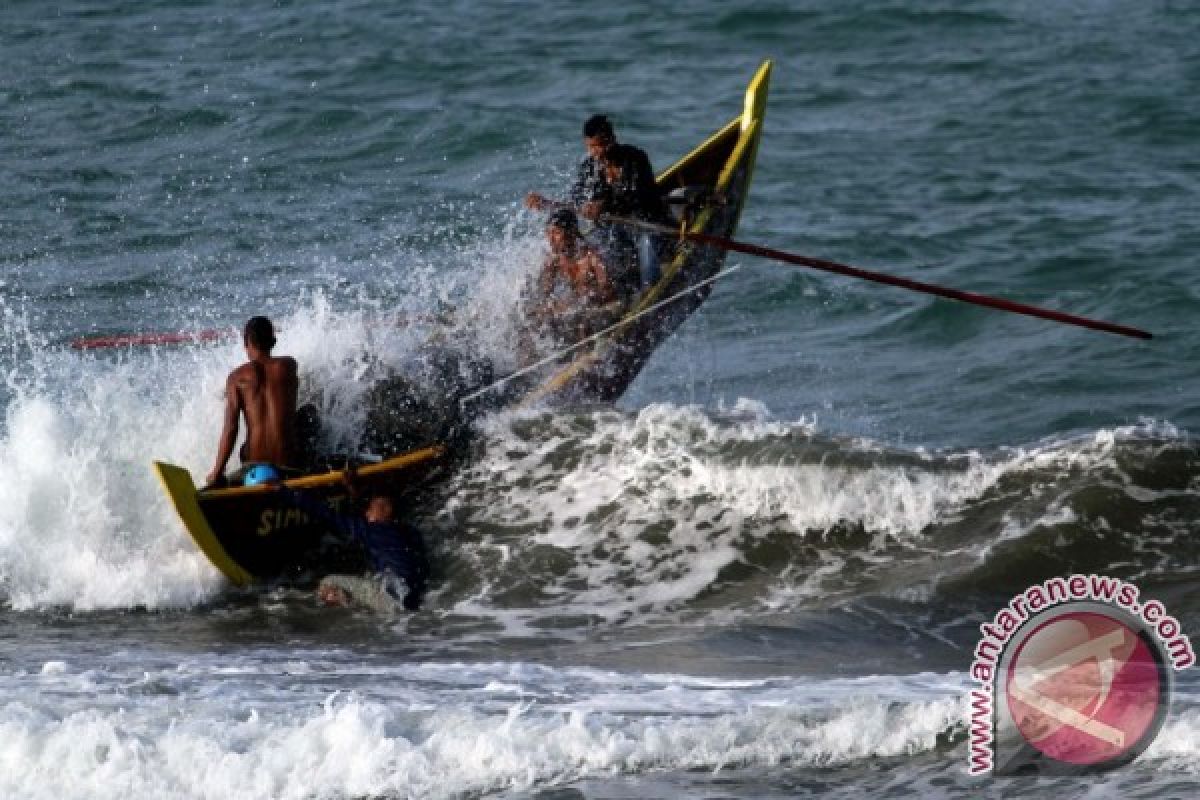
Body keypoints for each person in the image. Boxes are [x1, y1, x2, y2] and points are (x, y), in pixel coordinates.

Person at [524, 115, 671, 290]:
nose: (596, 152)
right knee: (596, 254)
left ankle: (650, 289)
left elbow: (639, 196)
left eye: (600, 145)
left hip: (647, 225)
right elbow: (576, 198)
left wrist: (603, 204)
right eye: (591, 147)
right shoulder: (589, 167)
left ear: (612, 139)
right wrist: (547, 203)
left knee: (649, 275)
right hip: (613, 229)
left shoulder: (636, 159)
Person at [272, 467, 430, 613]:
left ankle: (355, 616)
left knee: (328, 583)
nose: (367, 514)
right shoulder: (411, 532)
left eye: (370, 509)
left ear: (384, 510)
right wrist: (352, 490)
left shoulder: (371, 530)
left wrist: (285, 492)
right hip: (415, 597)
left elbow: (327, 514)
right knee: (371, 575)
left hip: (392, 601)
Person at [206, 316, 301, 487]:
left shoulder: (236, 378)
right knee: (309, 414)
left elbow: (231, 428)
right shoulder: (288, 366)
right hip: (289, 467)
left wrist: (217, 472)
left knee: (244, 449)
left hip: (253, 467)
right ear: (273, 341)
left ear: (247, 344)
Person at [526, 209, 617, 342]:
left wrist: (581, 301)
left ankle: (587, 354)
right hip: (577, 307)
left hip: (602, 307)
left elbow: (608, 291)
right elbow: (544, 292)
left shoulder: (592, 257)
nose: (551, 239)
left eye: (556, 233)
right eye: (548, 233)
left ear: (571, 233)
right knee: (534, 318)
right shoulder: (554, 261)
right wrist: (545, 308)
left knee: (584, 321)